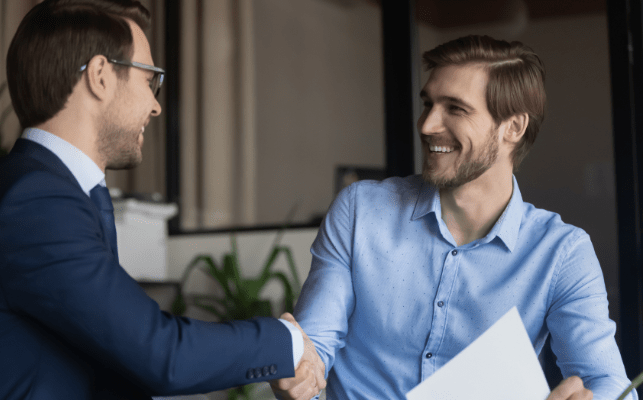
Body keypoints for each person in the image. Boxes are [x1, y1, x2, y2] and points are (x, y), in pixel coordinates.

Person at [0, 1, 325, 399]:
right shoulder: (35, 201)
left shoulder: (48, 190)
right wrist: (286, 342)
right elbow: (163, 356)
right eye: (149, 80)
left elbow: (121, 357)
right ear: (101, 76)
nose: (155, 105)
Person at [271, 35, 637, 400]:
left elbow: (608, 383)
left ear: (513, 127)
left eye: (455, 108)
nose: (427, 125)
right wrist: (298, 374)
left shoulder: (562, 253)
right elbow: (314, 352)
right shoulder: (360, 210)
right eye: (428, 104)